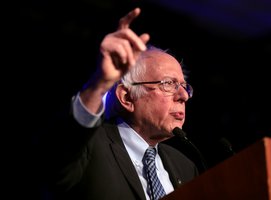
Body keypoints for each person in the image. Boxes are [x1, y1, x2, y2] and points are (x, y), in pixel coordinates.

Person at [41, 7, 200, 200]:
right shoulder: (87, 147)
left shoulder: (186, 166)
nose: (184, 95)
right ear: (127, 98)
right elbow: (55, 158)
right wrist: (99, 84)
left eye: (183, 85)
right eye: (169, 84)